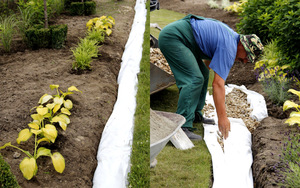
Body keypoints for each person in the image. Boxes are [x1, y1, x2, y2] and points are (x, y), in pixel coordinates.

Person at [158, 14, 263, 140]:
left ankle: (195, 114)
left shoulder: (231, 38)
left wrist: (202, 73)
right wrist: (222, 118)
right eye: (247, 56)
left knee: (202, 74)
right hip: (174, 38)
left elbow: (209, 58)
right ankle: (183, 126)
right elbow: (218, 84)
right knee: (194, 79)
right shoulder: (230, 47)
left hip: (184, 40)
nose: (245, 61)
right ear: (242, 45)